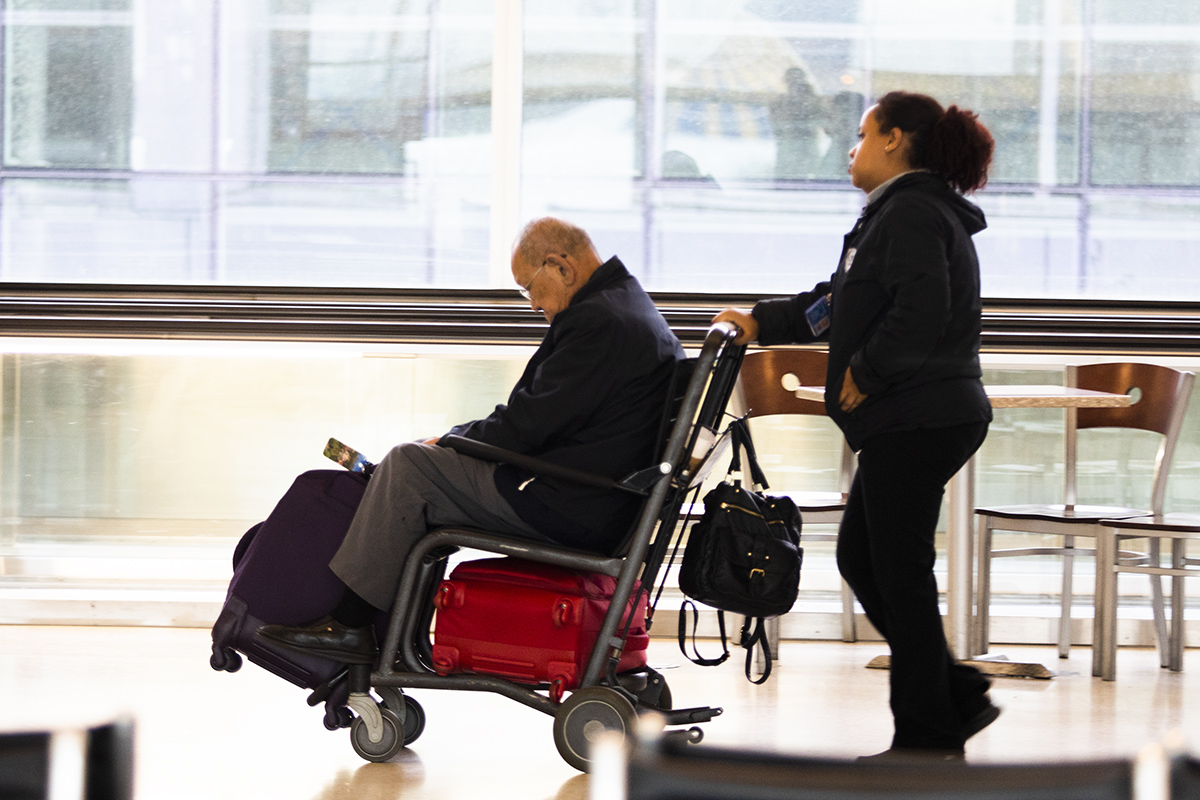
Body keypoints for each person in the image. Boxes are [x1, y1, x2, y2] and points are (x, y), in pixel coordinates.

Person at [715, 91, 999, 760]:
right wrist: (763, 321)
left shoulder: (913, 212)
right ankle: (949, 695)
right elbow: (835, 305)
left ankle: (929, 736)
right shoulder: (894, 216)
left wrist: (868, 372)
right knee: (865, 560)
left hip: (920, 417)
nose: (852, 147)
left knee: (897, 570)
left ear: (895, 140)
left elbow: (921, 310)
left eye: (863, 133)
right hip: (911, 419)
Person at [261, 217, 685, 663]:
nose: (533, 304)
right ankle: (393, 636)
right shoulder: (628, 306)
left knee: (408, 467)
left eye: (529, 288)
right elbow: (544, 420)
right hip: (595, 497)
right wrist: (454, 443)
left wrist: (449, 441)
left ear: (560, 266)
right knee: (423, 470)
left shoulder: (599, 322)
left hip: (568, 505)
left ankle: (350, 626)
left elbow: (526, 426)